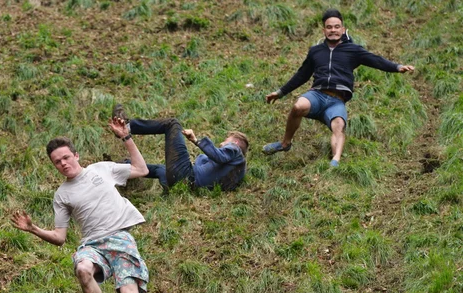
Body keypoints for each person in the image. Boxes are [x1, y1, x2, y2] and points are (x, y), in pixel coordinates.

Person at [10, 116, 166, 293]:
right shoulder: (62, 195)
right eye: (57, 162)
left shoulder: (101, 170)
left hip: (119, 238)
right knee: (82, 268)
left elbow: (141, 169)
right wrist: (33, 229)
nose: (63, 164)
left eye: (66, 157)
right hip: (92, 243)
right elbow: (60, 237)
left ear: (76, 155)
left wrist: (126, 138)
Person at [263, 8, 415, 167]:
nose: (333, 30)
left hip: (336, 102)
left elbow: (375, 60)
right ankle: (285, 144)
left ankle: (335, 162)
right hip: (317, 95)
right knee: (297, 107)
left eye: (336, 27)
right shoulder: (315, 51)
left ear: (343, 29)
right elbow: (302, 75)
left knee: (339, 126)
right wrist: (280, 93)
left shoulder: (353, 50)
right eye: (329, 27)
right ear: (324, 30)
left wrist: (397, 67)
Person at [112, 104, 249, 191]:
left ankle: (127, 127)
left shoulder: (235, 151)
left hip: (186, 176)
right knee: (160, 169)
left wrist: (196, 140)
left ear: (235, 142)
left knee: (172, 124)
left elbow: (219, 156)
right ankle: (122, 167)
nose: (222, 144)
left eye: (226, 141)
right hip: (184, 186)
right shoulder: (236, 173)